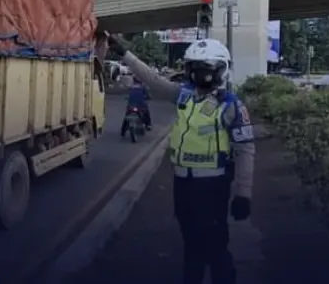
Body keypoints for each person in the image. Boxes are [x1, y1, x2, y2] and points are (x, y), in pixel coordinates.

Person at [106, 33, 255, 284]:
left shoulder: (231, 105)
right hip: (183, 184)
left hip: (213, 186)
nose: (198, 75)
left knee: (216, 247)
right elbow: (152, 80)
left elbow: (245, 149)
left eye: (204, 70)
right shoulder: (184, 95)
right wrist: (124, 53)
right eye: (193, 69)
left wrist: (243, 193)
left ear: (220, 70)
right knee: (191, 244)